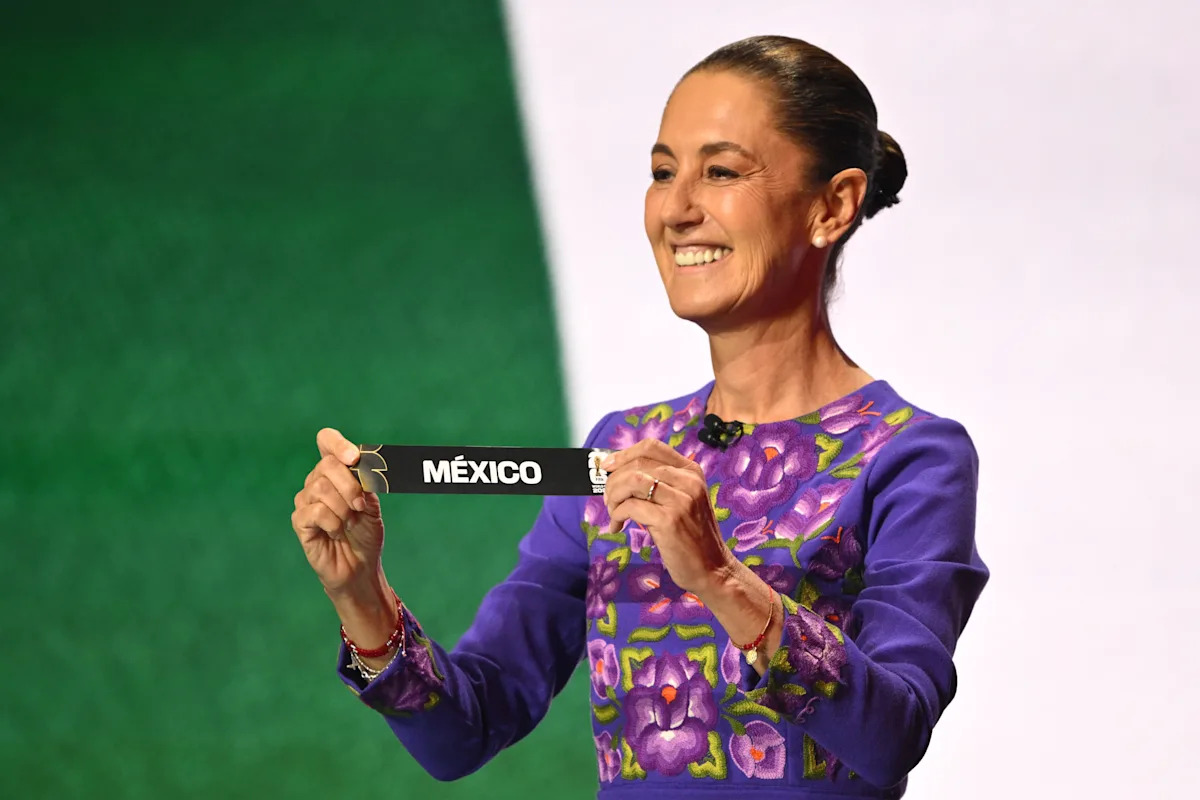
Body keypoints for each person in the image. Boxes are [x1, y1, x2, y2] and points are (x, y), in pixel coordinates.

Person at [290, 35, 988, 798]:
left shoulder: (911, 457)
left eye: (721, 171)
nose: (676, 209)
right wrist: (361, 596)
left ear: (833, 205)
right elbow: (467, 729)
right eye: (662, 173)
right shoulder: (621, 447)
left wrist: (720, 578)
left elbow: (892, 737)